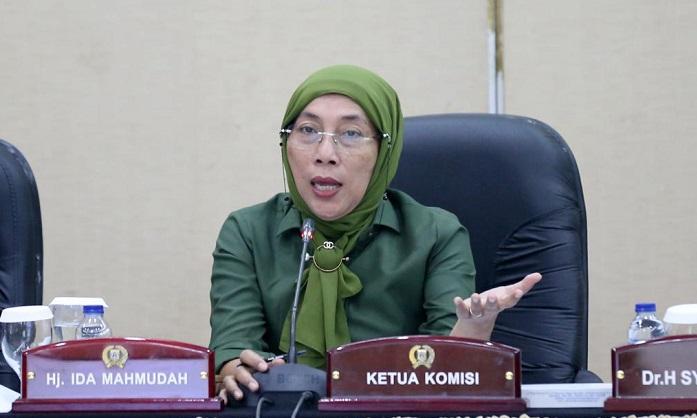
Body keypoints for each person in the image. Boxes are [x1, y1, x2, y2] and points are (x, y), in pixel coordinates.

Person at [209, 65, 541, 401]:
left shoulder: (436, 235)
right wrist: (237, 369)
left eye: (351, 134)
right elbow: (234, 345)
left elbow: (447, 372)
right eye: (308, 130)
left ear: (385, 151)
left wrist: (475, 324)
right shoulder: (248, 232)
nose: (325, 155)